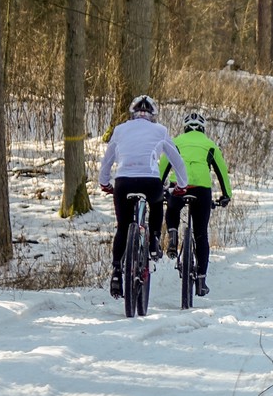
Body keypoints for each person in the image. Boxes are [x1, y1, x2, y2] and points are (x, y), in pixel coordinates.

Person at [99, 95, 189, 298]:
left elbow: (107, 160)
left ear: (132, 113)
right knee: (157, 203)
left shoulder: (120, 129)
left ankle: (116, 272)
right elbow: (177, 160)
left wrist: (104, 182)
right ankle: (155, 239)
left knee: (123, 227)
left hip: (123, 181)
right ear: (152, 115)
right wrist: (182, 185)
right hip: (150, 181)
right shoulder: (160, 130)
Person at [160, 111, 233, 297]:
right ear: (203, 128)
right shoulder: (210, 145)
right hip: (201, 189)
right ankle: (201, 280)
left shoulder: (175, 142)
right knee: (201, 234)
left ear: (185, 127)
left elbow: (163, 166)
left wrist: (159, 187)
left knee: (173, 207)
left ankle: (173, 235)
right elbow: (222, 171)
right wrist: (226, 195)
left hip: (180, 185)